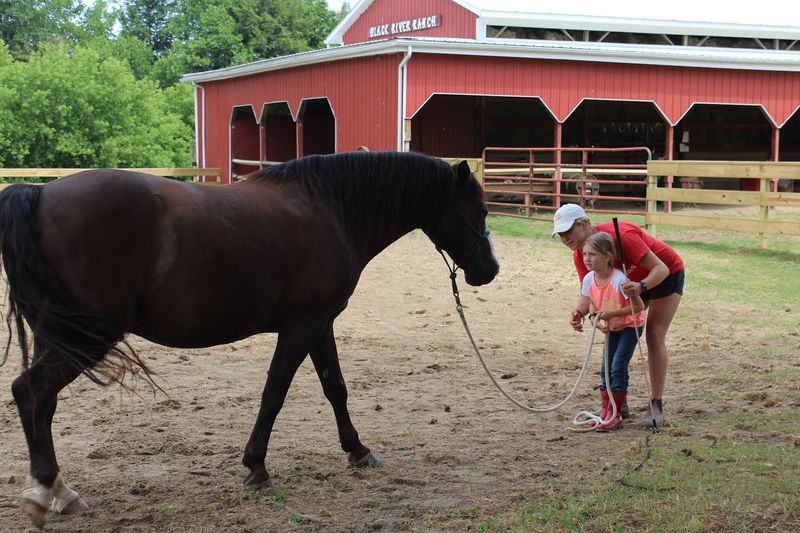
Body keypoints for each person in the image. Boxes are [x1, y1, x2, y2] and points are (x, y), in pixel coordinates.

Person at [553, 203, 684, 428]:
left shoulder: (621, 235)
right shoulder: (582, 254)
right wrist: (582, 312)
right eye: (560, 234)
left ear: (584, 224)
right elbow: (591, 291)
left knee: (654, 334)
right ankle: (617, 405)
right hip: (630, 286)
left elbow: (661, 268)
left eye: (568, 231)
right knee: (616, 339)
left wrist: (641, 287)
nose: (564, 239)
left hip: (662, 275)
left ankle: (656, 403)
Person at [571, 232, 645, 431]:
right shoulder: (589, 279)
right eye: (585, 254)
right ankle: (606, 410)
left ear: (607, 257)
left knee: (617, 366)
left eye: (592, 254)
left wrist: (610, 314)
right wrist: (595, 318)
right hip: (612, 327)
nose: (587, 259)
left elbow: (638, 307)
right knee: (605, 368)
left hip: (630, 326)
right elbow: (593, 303)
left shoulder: (619, 280)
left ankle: (616, 414)